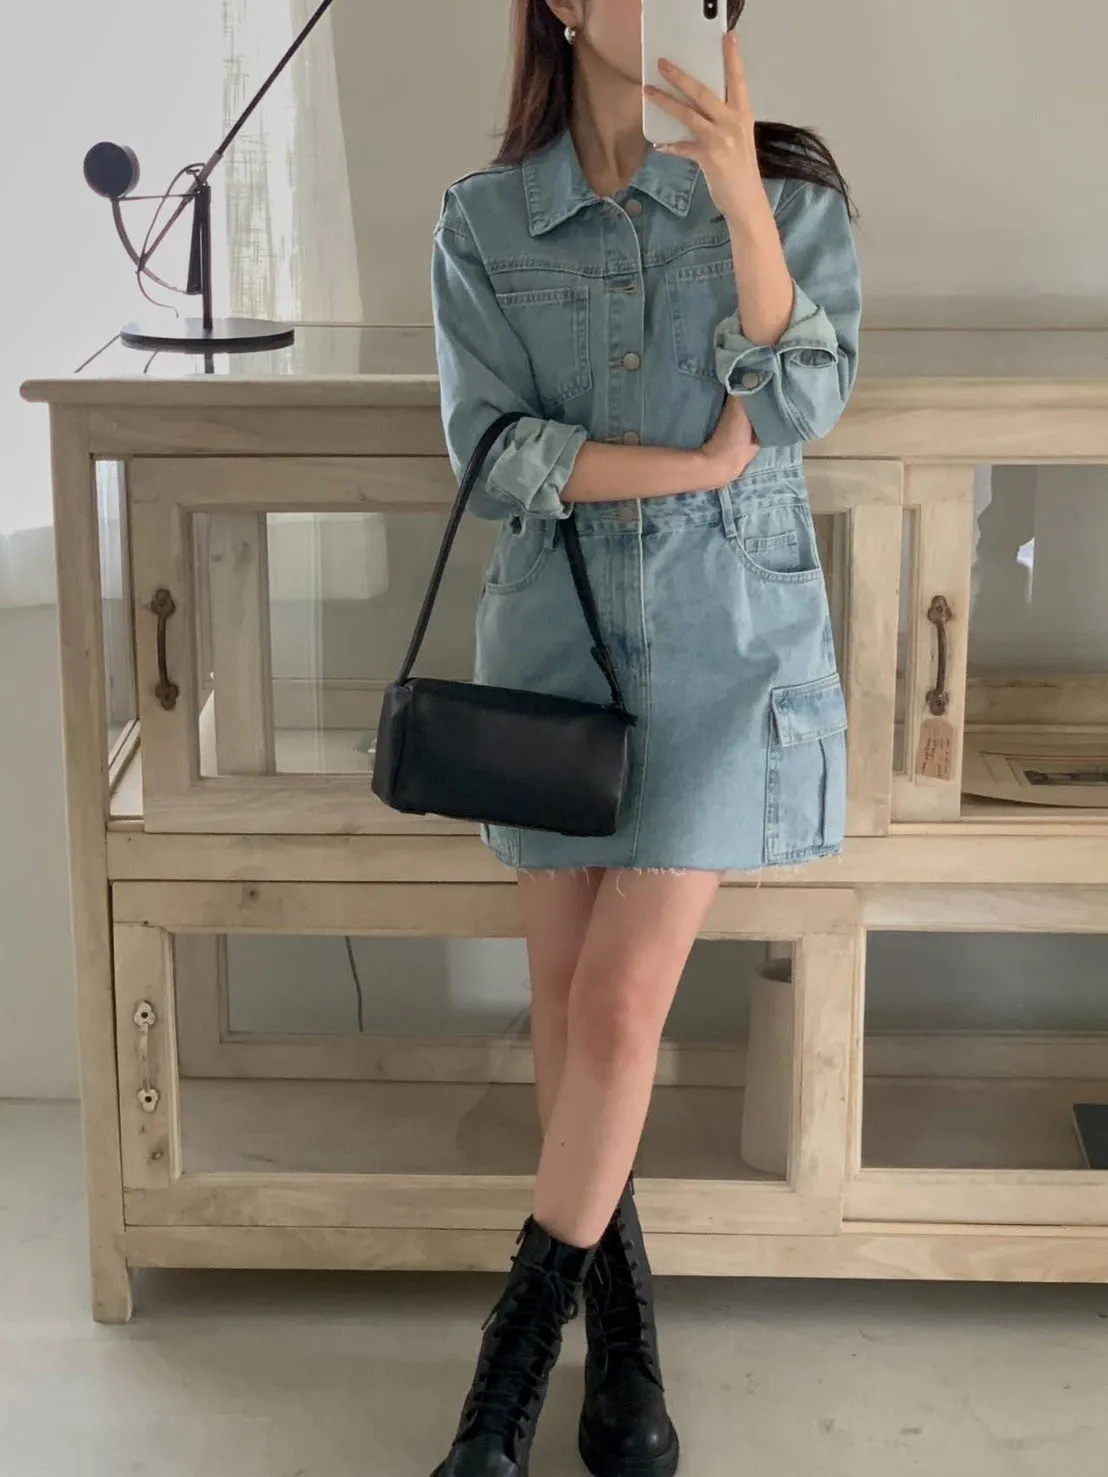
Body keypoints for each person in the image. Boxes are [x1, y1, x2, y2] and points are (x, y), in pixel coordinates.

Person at [428, 1, 861, 1473]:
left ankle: (500, 1392)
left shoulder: (790, 193)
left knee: (613, 1011)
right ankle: (623, 1354)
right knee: (565, 1014)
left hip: (730, 642)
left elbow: (804, 396)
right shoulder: (485, 219)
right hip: (558, 638)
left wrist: (739, 199)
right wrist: (683, 467)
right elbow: (493, 454)